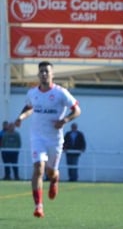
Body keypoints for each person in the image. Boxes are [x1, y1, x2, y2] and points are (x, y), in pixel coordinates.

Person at [14, 61, 81, 218]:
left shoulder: (61, 93)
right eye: (41, 71)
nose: (44, 74)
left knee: (51, 172)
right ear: (38, 75)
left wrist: (64, 120)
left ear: (52, 74)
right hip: (37, 137)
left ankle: (54, 180)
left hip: (55, 140)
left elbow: (77, 110)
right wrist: (21, 118)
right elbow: (29, 107)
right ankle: (38, 206)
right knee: (38, 167)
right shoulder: (32, 93)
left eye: (47, 71)